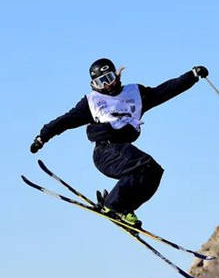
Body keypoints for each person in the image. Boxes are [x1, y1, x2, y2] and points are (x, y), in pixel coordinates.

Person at [30, 58, 209, 228]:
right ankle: (113, 204)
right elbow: (65, 120)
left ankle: (123, 208)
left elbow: (165, 91)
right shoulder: (92, 102)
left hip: (124, 150)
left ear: (117, 75)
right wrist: (42, 137)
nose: (107, 85)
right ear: (94, 85)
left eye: (109, 78)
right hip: (106, 151)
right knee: (143, 164)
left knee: (153, 172)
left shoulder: (136, 93)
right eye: (101, 82)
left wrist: (192, 76)